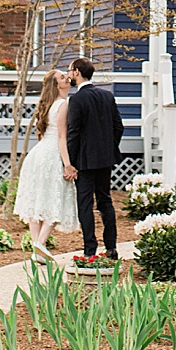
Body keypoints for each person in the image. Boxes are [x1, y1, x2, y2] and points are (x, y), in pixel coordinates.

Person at [12, 70, 78, 262]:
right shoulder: (63, 105)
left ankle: (36, 250)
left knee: (38, 201)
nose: (67, 78)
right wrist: (67, 164)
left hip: (38, 154)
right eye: (63, 78)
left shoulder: (48, 105)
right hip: (52, 156)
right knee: (55, 200)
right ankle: (40, 243)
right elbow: (61, 137)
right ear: (57, 85)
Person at [64, 57, 125, 262]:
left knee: (85, 203)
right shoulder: (107, 96)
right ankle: (112, 247)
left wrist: (70, 161)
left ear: (78, 72)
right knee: (105, 200)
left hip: (84, 160)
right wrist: (109, 147)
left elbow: (74, 132)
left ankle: (90, 248)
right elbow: (119, 127)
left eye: (71, 71)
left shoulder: (77, 99)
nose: (70, 74)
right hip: (105, 158)